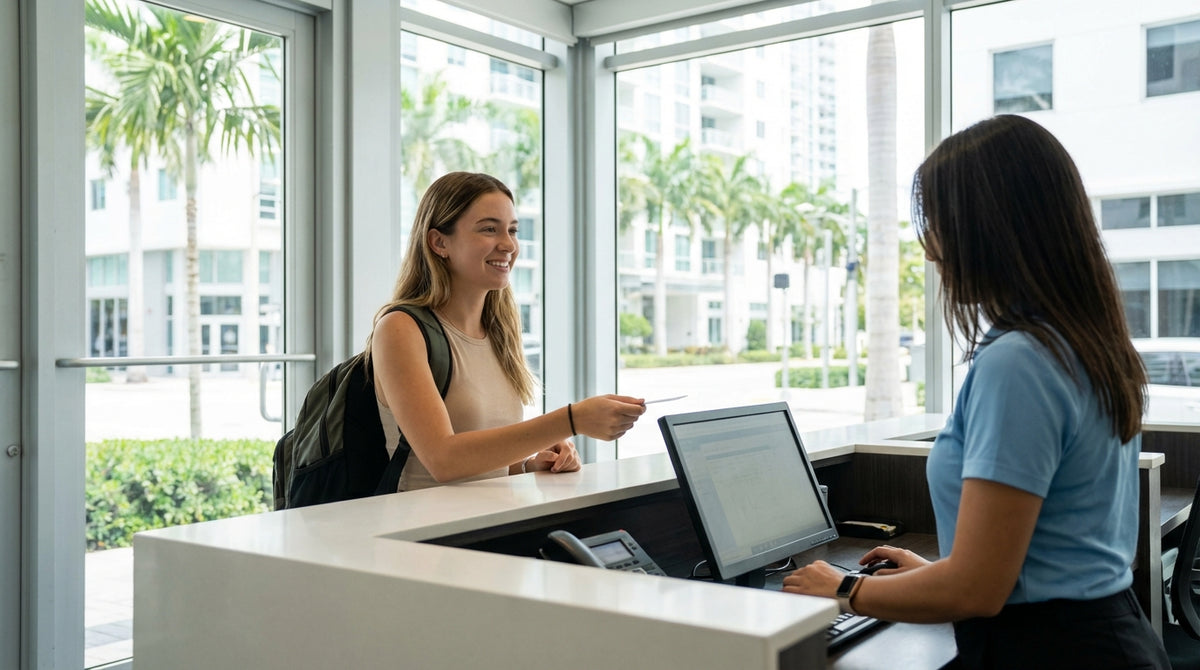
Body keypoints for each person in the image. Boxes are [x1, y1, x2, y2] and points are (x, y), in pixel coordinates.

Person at [783, 115, 1170, 669]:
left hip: (1049, 651)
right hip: (1101, 635)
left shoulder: (1020, 361)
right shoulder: (1079, 340)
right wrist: (933, 575)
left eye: (939, 224)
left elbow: (977, 592)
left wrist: (845, 589)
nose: (930, 250)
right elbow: (1039, 559)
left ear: (986, 229)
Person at [363, 171, 647, 492]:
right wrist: (571, 420)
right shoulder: (400, 329)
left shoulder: (498, 330)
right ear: (439, 242)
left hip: (495, 524)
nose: (508, 245)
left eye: (512, 230)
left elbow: (481, 462)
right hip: (423, 533)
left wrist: (527, 463)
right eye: (489, 229)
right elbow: (443, 460)